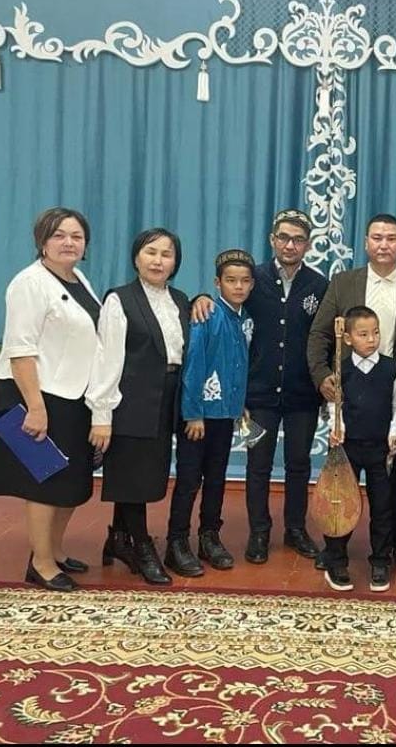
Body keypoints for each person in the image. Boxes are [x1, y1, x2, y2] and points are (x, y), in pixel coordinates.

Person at [191, 209, 328, 565]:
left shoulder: (319, 285)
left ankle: (295, 528)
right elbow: (227, 304)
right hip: (258, 394)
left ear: (308, 245)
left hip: (302, 394)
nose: (290, 245)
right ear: (272, 240)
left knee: (299, 463)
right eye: (283, 237)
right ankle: (259, 531)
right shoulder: (254, 279)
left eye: (298, 239)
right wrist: (199, 298)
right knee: (259, 463)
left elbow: (325, 338)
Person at [0, 207, 101, 592]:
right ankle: (41, 563)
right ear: (42, 241)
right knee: (44, 482)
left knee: (71, 482)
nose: (69, 242)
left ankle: (55, 549)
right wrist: (35, 408)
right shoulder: (28, 283)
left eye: (76, 236)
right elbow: (20, 350)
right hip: (36, 395)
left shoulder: (78, 278)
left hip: (73, 395)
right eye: (58, 235)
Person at [308, 214, 396, 572]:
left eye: (391, 238)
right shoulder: (343, 283)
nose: (383, 244)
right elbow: (319, 334)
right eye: (377, 237)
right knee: (342, 475)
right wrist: (322, 376)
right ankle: (334, 546)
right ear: (365, 243)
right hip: (352, 397)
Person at [87, 228, 190, 587]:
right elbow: (107, 359)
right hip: (130, 399)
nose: (158, 260)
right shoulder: (120, 300)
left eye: (166, 254)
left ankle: (119, 539)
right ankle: (142, 546)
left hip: (167, 398)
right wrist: (102, 415)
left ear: (176, 262)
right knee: (133, 476)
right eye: (151, 252)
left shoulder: (180, 300)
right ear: (136, 257)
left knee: (144, 473)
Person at [164, 249, 255, 577]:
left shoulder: (244, 319)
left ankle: (209, 536)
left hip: (225, 416)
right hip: (199, 418)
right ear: (218, 283)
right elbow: (194, 366)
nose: (238, 286)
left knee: (216, 478)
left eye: (244, 281)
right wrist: (193, 414)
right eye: (231, 280)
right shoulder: (206, 315)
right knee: (189, 479)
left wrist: (238, 404)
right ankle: (176, 542)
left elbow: (238, 367)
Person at [322, 306, 396, 592]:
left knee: (382, 506)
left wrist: (395, 431)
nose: (371, 339)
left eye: (375, 333)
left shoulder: (390, 367)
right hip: (346, 449)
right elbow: (333, 404)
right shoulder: (341, 369)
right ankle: (336, 560)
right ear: (347, 338)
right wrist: (337, 427)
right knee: (340, 504)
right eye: (363, 334)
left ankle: (381, 560)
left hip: (379, 449)